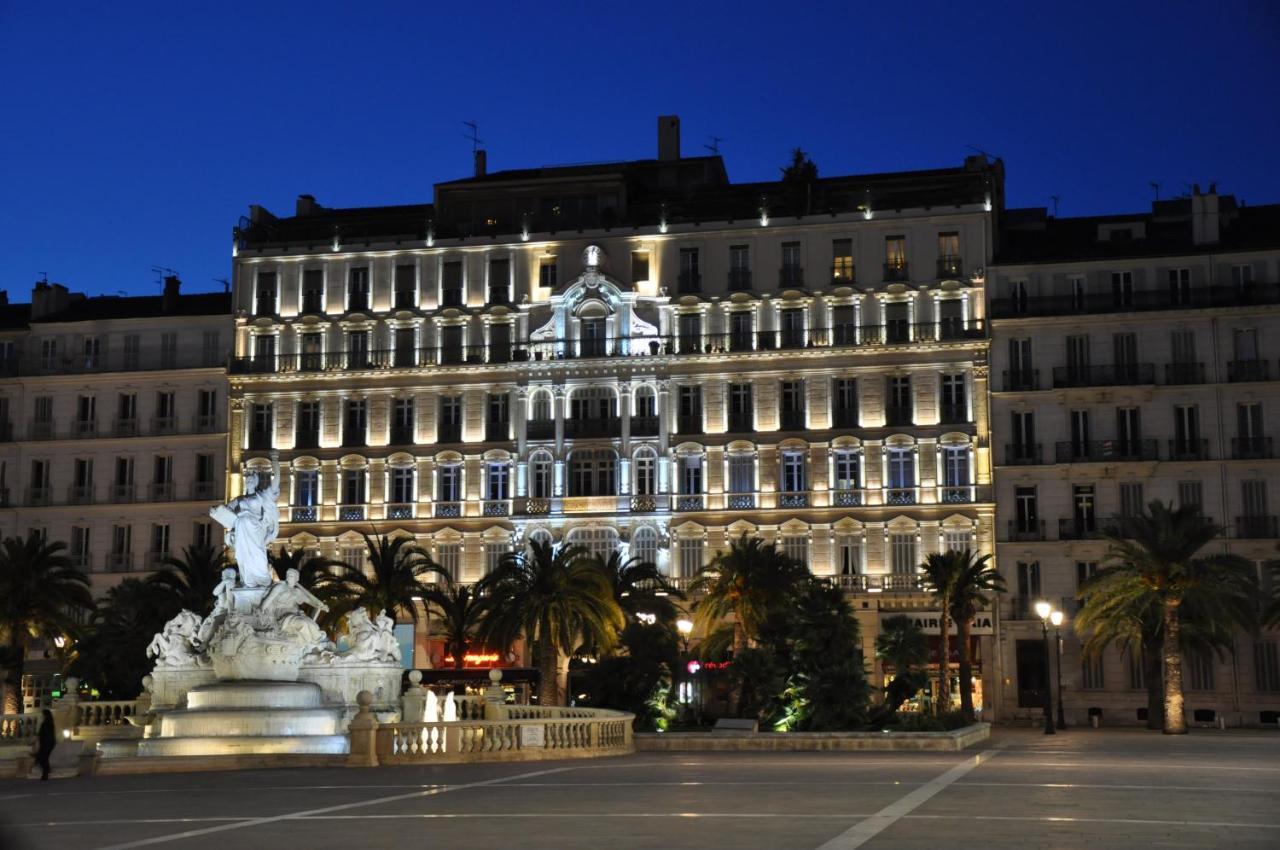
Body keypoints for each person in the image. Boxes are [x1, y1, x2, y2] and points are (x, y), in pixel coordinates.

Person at [34, 709, 56, 781]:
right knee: (44, 758)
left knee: (42, 758)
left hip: (46, 743)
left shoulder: (45, 723)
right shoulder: (50, 723)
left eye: (43, 714)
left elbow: (41, 734)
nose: (42, 716)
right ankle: (45, 773)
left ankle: (46, 771)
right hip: (50, 743)